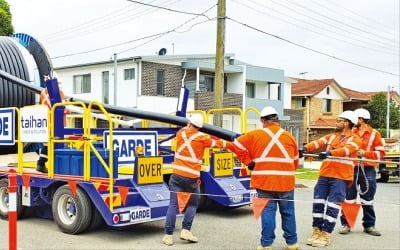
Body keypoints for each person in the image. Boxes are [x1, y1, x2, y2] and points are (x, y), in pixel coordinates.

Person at [226, 106, 299, 250]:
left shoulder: (254, 135)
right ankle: (292, 243)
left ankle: (266, 244)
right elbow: (295, 161)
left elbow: (234, 146)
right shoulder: (289, 136)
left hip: (264, 182)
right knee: (288, 213)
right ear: (277, 120)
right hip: (286, 183)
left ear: (262, 120)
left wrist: (248, 162)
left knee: (267, 213)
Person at [162, 113, 227, 246]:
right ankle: (186, 230)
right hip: (191, 178)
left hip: (176, 175)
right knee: (192, 204)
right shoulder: (202, 138)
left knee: (173, 205)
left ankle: (168, 236)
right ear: (200, 127)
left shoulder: (180, 133)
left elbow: (185, 129)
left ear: (189, 123)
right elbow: (218, 143)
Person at [299, 110, 362, 247]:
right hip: (325, 175)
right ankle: (316, 231)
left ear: (347, 123)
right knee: (318, 203)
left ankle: (326, 234)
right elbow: (317, 143)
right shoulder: (332, 136)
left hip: (340, 177)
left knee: (333, 206)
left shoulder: (356, 140)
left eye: (339, 120)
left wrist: (330, 153)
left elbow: (345, 151)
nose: (336, 122)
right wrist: (304, 148)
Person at [339, 108, 385, 236]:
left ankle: (369, 225)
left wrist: (365, 153)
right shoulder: (349, 133)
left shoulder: (375, 134)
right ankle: (346, 224)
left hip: (368, 169)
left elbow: (381, 153)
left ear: (361, 119)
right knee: (349, 199)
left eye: (355, 119)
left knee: (368, 199)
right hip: (351, 168)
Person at [36, 73, 67, 173]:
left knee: (48, 144)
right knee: (58, 144)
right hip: (57, 123)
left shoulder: (43, 92)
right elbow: (63, 108)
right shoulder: (59, 92)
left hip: (46, 122)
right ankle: (46, 164)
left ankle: (41, 163)